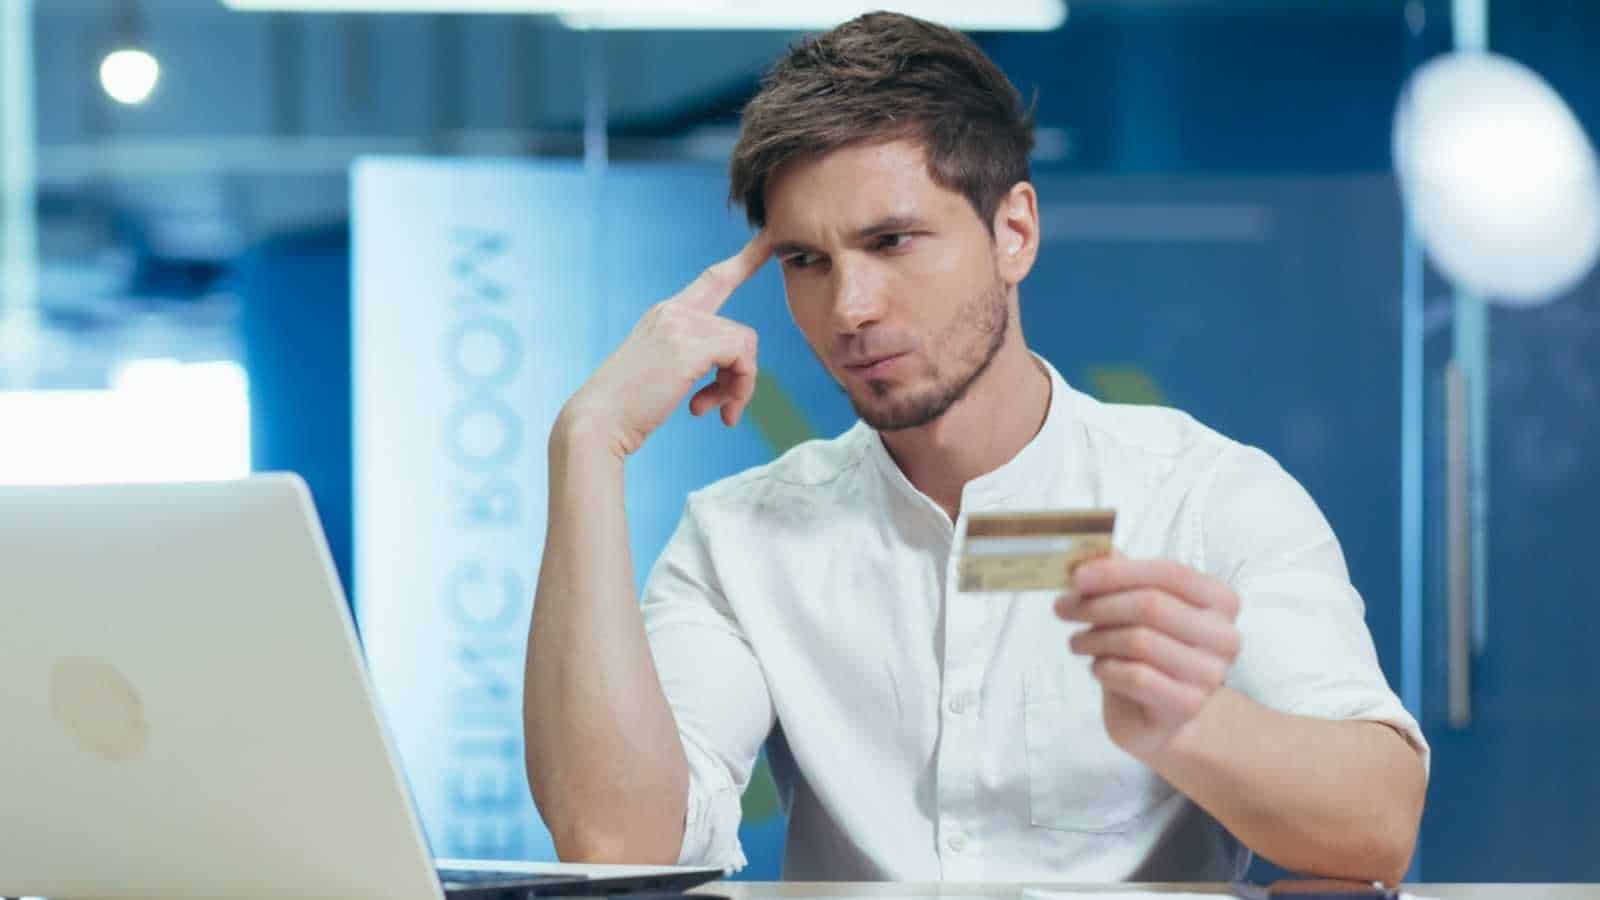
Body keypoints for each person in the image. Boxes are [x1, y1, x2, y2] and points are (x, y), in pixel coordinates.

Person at [522, 11, 1427, 885]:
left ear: (1014, 232)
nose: (850, 309)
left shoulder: (1203, 496)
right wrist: (589, 444)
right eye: (806, 260)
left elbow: (1377, 827)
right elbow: (616, 838)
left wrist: (1192, 728)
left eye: (893, 240)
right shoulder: (742, 537)